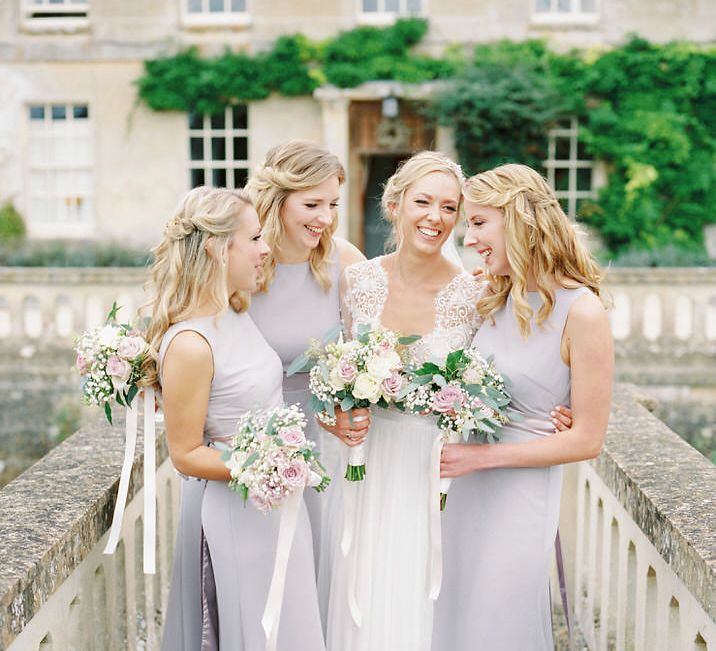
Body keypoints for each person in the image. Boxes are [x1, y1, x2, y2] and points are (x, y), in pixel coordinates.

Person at [433, 163, 613, 651]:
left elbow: (587, 439)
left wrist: (480, 457)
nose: (469, 239)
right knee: (452, 618)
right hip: (464, 492)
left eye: (478, 222)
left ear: (519, 221)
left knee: (499, 623)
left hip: (519, 494)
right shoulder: (493, 295)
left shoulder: (583, 312)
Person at [145, 187, 324, 650]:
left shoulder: (236, 314)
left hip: (278, 504)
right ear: (216, 246)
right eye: (255, 238)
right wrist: (267, 467)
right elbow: (185, 454)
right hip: (239, 511)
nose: (266, 249)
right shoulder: (190, 342)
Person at [326, 151, 480, 651]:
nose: (436, 217)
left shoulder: (473, 293)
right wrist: (339, 414)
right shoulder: (359, 282)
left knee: (424, 590)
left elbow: (506, 373)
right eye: (423, 202)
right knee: (362, 583)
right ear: (394, 205)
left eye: (449, 208)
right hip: (365, 463)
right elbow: (332, 373)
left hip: (437, 468)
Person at [246, 140, 367, 627]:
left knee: (321, 575)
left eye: (333, 204)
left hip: (325, 445)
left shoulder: (345, 260)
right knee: (262, 583)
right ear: (277, 202)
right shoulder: (242, 262)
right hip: (253, 444)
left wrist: (353, 406)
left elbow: (377, 352)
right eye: (312, 204)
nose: (325, 218)